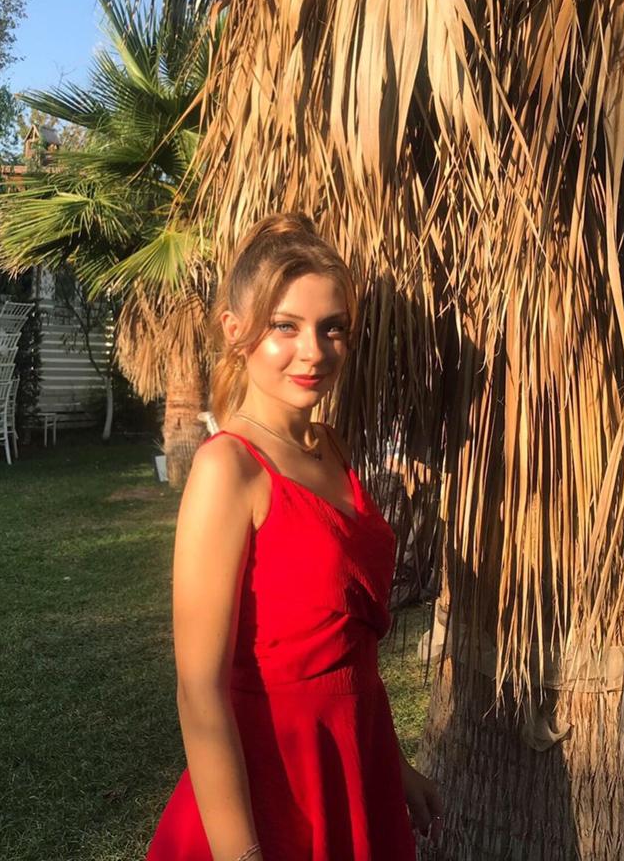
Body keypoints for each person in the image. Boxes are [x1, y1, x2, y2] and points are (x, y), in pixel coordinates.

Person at [146, 213, 443, 861]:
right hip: (269, 788)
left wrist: (393, 766)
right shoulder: (230, 469)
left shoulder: (330, 447)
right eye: (286, 326)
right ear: (236, 331)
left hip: (352, 763)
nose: (315, 351)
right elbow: (200, 690)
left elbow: (349, 653)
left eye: (332, 327)